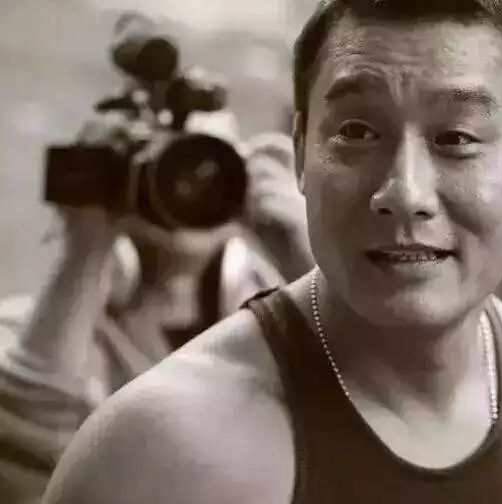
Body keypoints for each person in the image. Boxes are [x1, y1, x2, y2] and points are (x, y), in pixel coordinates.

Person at [42, 1, 502, 503]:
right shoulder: (165, 450)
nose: (404, 192)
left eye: (457, 138)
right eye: (357, 130)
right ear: (301, 153)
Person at [0, 108, 314, 502]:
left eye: (207, 163)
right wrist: (85, 247)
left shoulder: (287, 328)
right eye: (167, 161)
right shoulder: (38, 333)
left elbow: (370, 412)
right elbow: (22, 457)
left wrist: (309, 256)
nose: (187, 184)